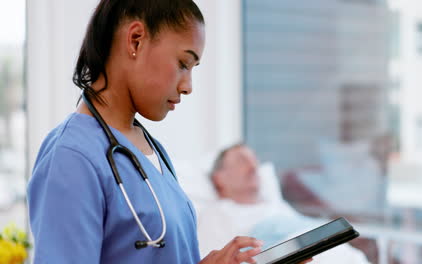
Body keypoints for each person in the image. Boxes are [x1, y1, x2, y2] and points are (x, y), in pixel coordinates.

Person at [28, 1, 307, 263]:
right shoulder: (71, 157)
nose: (188, 86)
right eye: (183, 64)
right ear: (135, 40)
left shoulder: (152, 150)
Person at [195, 143, 369, 263]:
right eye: (242, 160)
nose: (253, 165)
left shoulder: (276, 206)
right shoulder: (216, 214)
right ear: (219, 178)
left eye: (254, 159)